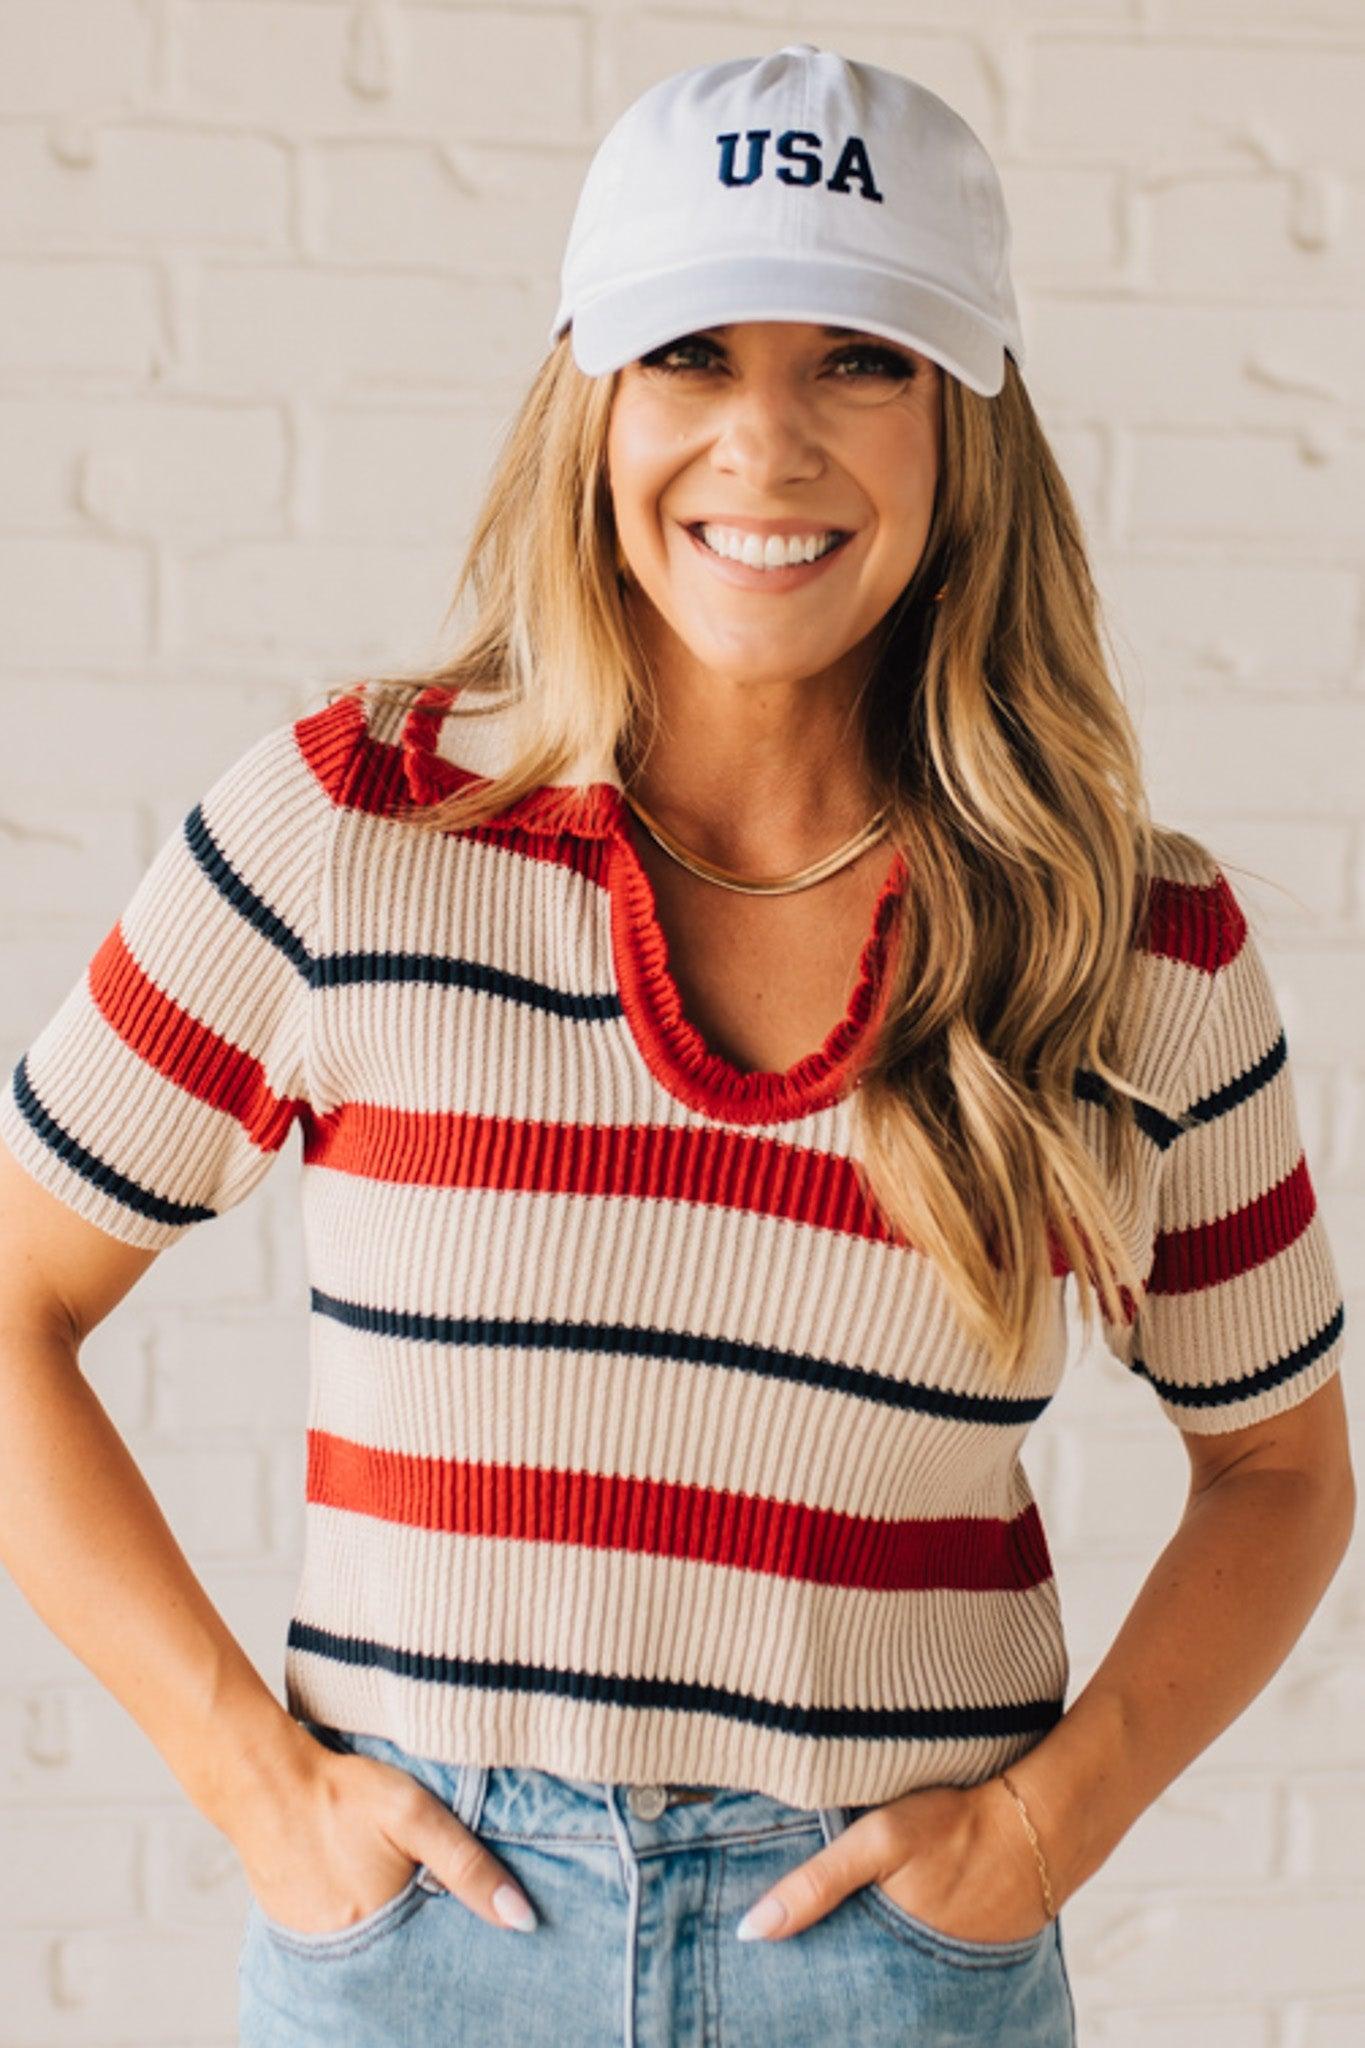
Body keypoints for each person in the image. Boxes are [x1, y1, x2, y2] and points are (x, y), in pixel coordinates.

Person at [0, 43, 1352, 2048]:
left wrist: (1036, 1838)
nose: (766, 441)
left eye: (860, 359)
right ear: (591, 396)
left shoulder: (1126, 938)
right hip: (415, 1956)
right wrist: (256, 1791)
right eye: (692, 353)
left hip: (887, 1974)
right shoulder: (350, 824)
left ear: (964, 415)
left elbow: (1275, 1465)